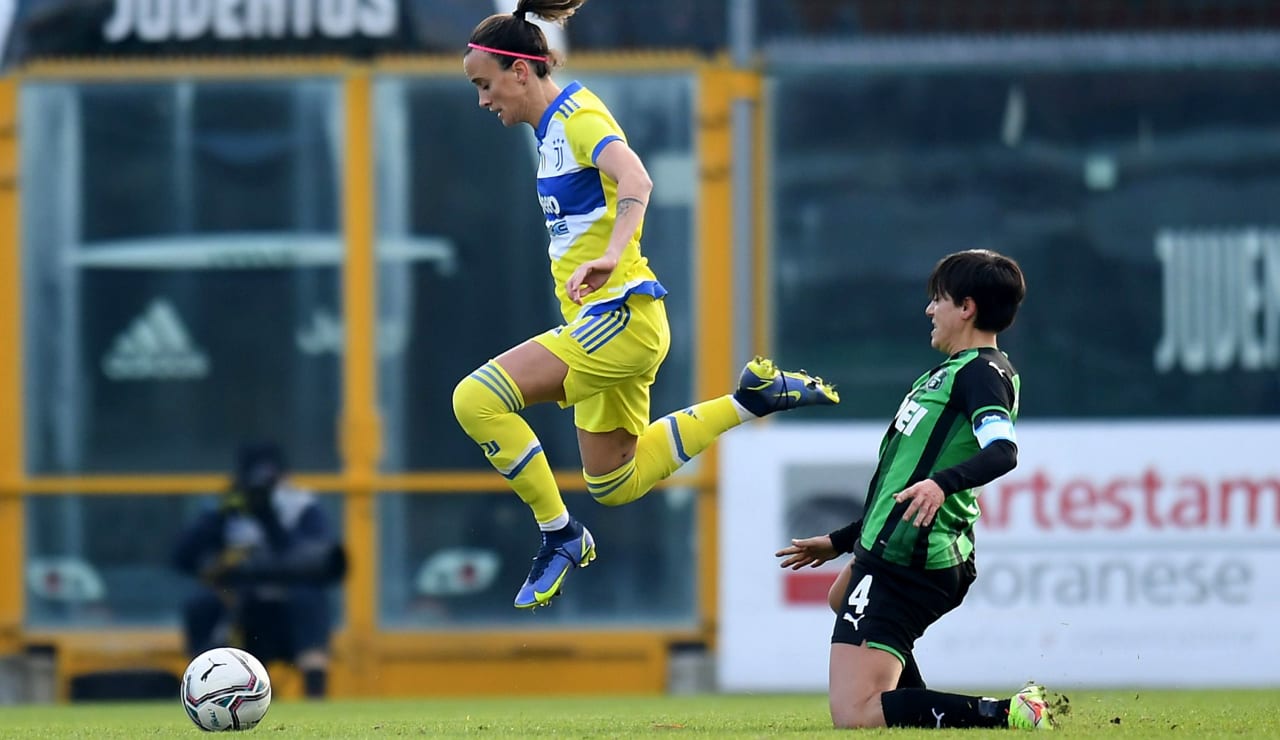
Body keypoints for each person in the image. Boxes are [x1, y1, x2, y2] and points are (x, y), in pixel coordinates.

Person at [454, 0, 840, 610]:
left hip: (622, 317)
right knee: (614, 482)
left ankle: (558, 535)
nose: (482, 100)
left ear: (520, 72)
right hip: (606, 323)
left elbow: (636, 179)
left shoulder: (577, 115)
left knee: (474, 399)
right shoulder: (551, 130)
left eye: (485, 84)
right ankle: (752, 400)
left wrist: (612, 252)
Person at [776, 249, 1061, 730]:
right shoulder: (946, 373)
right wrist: (841, 541)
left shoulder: (982, 375)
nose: (930, 310)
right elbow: (900, 483)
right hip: (889, 548)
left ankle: (1009, 714)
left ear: (966, 308)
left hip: (909, 559)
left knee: (856, 713)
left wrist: (942, 483)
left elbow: (1003, 451)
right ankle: (923, 712)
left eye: (938, 300)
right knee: (840, 597)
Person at [173, 442, 345, 699]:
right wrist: (219, 516)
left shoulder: (302, 506)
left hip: (289, 606)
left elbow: (320, 563)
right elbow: (182, 558)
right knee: (201, 604)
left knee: (310, 599)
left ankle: (315, 691)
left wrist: (269, 520)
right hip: (242, 604)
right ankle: (203, 686)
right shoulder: (227, 507)